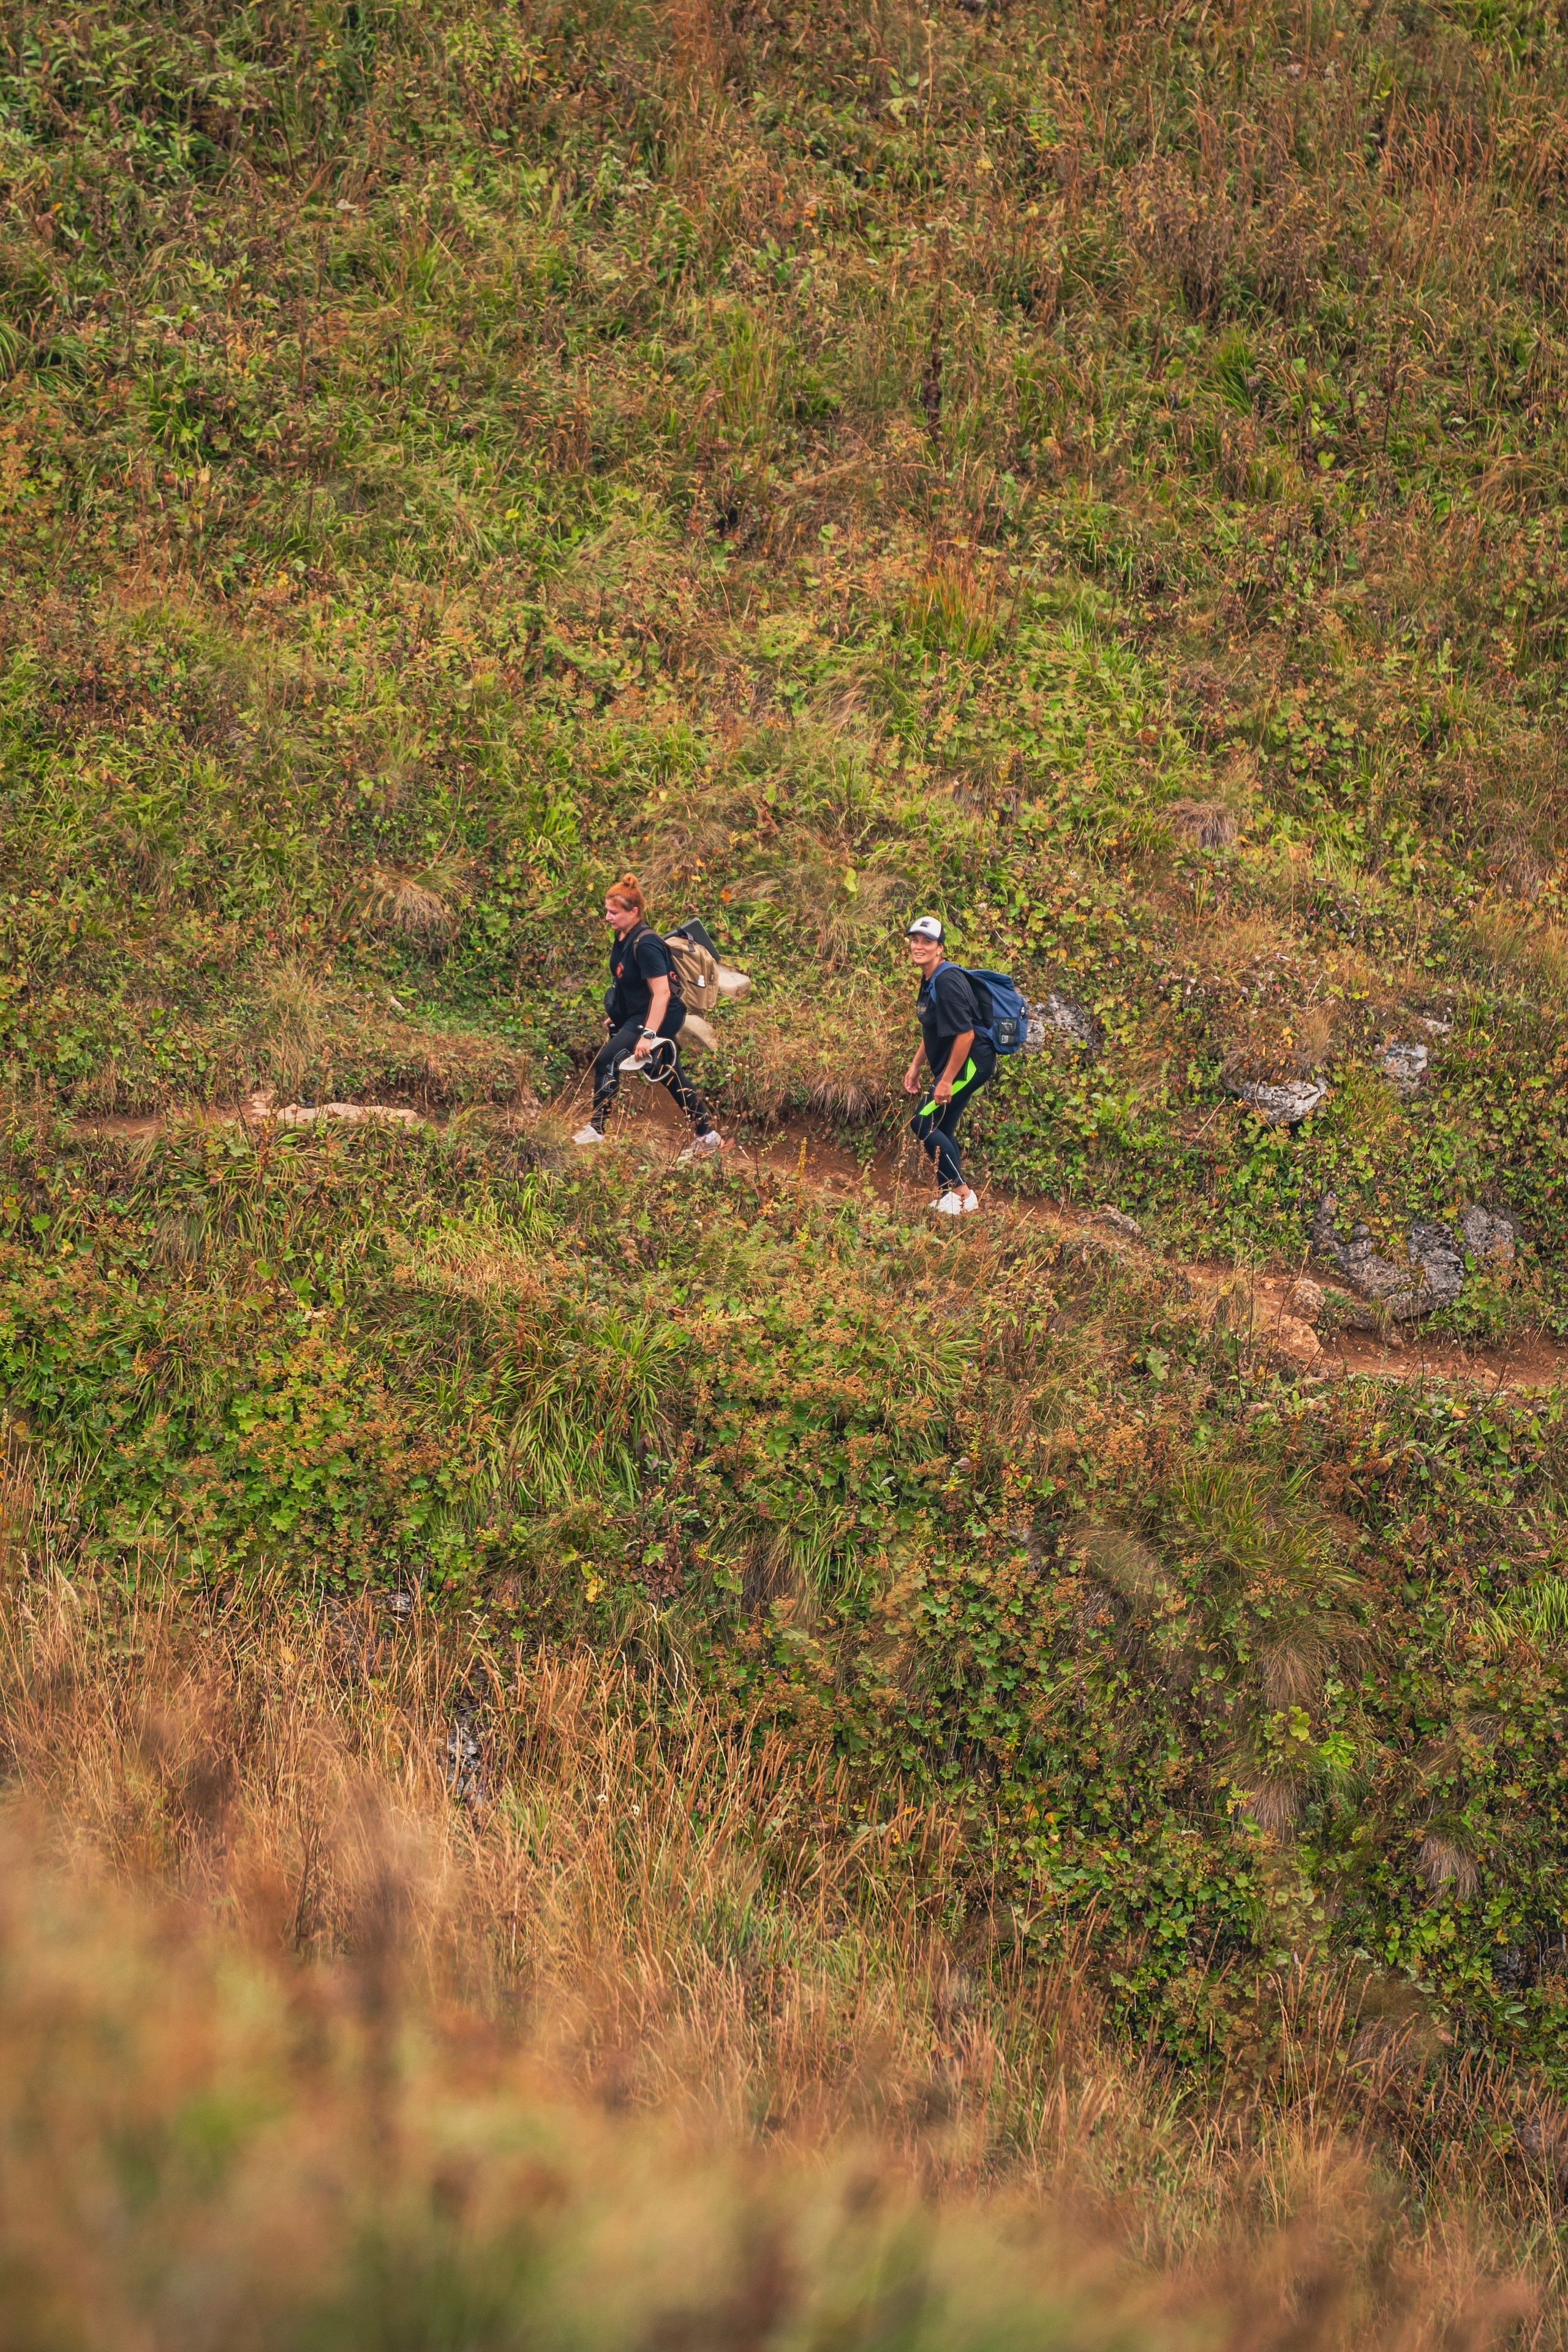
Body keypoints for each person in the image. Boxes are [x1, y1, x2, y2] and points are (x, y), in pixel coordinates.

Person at [573, 874, 723, 1159]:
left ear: (634, 913)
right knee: (665, 1072)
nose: (607, 917)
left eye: (614, 912)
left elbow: (662, 993)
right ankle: (707, 1134)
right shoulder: (623, 936)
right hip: (638, 1013)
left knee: (608, 1060)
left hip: (660, 1014)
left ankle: (596, 1130)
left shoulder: (647, 944)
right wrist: (617, 1015)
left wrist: (648, 1034)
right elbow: (629, 981)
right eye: (607, 910)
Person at [901, 914, 994, 1216]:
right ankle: (950, 1197)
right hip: (961, 1063)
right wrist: (916, 1066)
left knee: (922, 1122)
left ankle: (963, 1194)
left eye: (926, 942)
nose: (919, 946)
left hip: (971, 1061)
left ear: (940, 948)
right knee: (940, 1126)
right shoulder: (930, 979)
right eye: (915, 940)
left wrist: (945, 1081)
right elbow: (934, 1028)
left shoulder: (947, 980)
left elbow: (965, 1034)